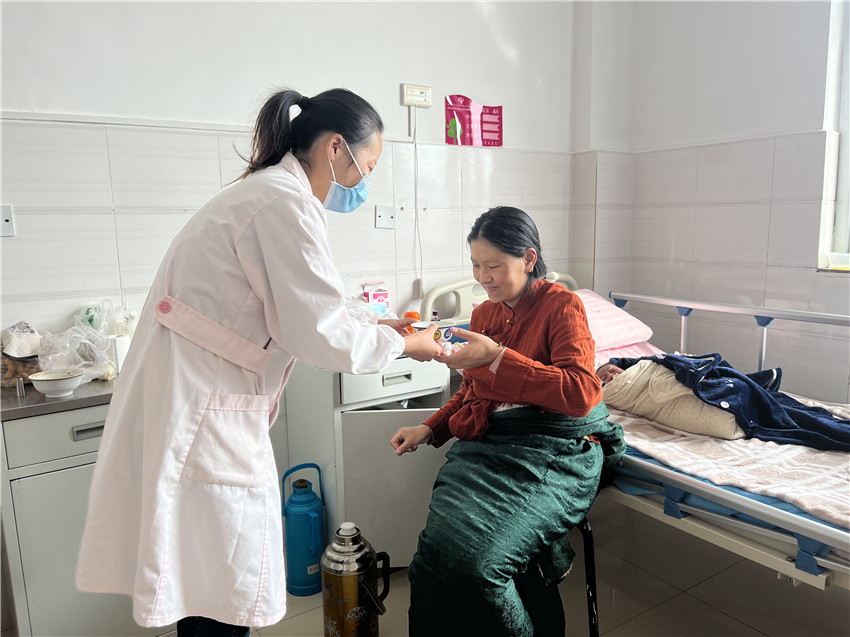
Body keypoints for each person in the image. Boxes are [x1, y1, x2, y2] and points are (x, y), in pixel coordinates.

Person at [75, 88, 444, 637]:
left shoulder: (266, 193)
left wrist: (376, 324)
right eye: (367, 167)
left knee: (206, 578)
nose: (365, 184)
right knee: (218, 584)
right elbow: (320, 334)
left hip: (197, 394)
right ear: (335, 148)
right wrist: (407, 345)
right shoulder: (284, 204)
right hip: (202, 406)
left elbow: (299, 304)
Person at [390, 206, 625, 636]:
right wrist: (429, 428)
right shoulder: (484, 316)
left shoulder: (562, 306)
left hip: (553, 452)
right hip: (490, 448)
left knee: (479, 568)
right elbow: (472, 393)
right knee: (434, 559)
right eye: (476, 265)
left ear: (529, 259)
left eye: (494, 266)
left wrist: (500, 358)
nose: (483, 277)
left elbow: (581, 392)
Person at [600, 354, 850, 451]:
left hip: (717, 391)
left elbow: (658, 364)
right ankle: (756, 385)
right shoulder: (613, 394)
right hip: (722, 409)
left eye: (610, 371)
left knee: (782, 410)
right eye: (603, 379)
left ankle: (754, 386)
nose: (610, 377)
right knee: (777, 411)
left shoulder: (640, 366)